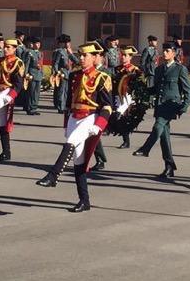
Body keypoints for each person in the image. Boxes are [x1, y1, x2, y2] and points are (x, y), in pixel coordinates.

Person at [35, 41, 113, 212]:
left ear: (95, 57)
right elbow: (69, 103)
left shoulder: (102, 78)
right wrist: (66, 124)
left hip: (90, 117)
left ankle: (53, 176)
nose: (82, 58)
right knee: (79, 161)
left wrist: (100, 125)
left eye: (86, 55)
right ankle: (84, 201)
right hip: (74, 118)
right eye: (81, 55)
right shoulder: (74, 75)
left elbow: (107, 106)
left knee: (71, 142)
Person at [133, 42, 190, 180]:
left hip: (171, 105)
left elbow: (187, 90)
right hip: (160, 106)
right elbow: (155, 89)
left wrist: (184, 107)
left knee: (158, 125)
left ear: (174, 53)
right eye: (163, 51)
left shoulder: (180, 69)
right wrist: (141, 89)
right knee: (164, 137)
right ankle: (169, 166)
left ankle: (145, 149)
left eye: (167, 51)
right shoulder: (159, 69)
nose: (164, 53)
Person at [111, 45, 144, 150]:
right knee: (117, 117)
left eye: (126, 55)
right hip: (117, 96)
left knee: (123, 117)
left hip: (128, 98)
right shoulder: (117, 69)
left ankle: (126, 141)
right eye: (122, 55)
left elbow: (140, 84)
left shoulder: (135, 70)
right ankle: (123, 138)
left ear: (130, 57)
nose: (123, 57)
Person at [51, 34, 76, 113]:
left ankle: (64, 105)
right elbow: (55, 63)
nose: (68, 44)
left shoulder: (68, 51)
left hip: (68, 73)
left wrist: (71, 53)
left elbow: (77, 62)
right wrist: (57, 73)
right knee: (61, 91)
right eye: (66, 42)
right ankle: (61, 107)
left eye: (68, 42)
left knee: (66, 91)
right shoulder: (59, 51)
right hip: (62, 73)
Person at [24, 38, 43, 116]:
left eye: (39, 44)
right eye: (36, 44)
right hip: (32, 74)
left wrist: (42, 74)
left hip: (38, 74)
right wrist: (26, 74)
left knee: (37, 93)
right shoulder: (30, 53)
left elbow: (41, 64)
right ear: (33, 44)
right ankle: (29, 108)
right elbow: (27, 64)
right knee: (31, 92)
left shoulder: (40, 53)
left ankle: (34, 107)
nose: (38, 45)